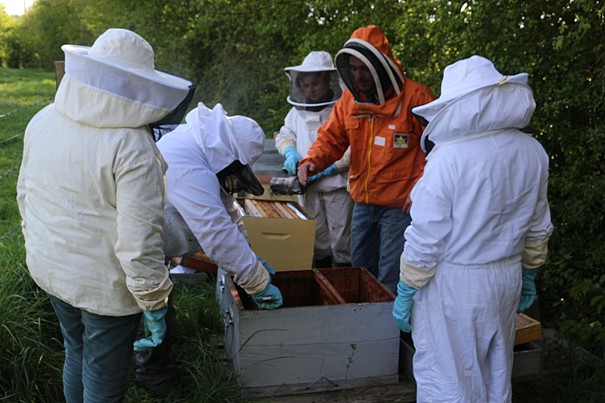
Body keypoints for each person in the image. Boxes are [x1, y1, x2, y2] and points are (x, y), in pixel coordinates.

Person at [16, 28, 195, 402]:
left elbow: (24, 195)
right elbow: (140, 242)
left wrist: (38, 245)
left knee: (76, 351)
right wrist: (154, 301)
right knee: (102, 375)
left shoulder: (44, 118)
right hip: (105, 289)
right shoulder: (132, 145)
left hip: (52, 270)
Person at [392, 55, 554, 402]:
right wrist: (529, 272)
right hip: (506, 277)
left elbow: (426, 238)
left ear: (458, 105)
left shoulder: (449, 159)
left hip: (454, 285)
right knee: (496, 371)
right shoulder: (533, 151)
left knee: (447, 378)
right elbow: (538, 224)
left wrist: (407, 287)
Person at [134, 102, 284, 395]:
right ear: (230, 153)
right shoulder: (190, 166)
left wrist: (249, 256)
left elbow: (228, 214)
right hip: (138, 245)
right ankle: (151, 376)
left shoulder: (202, 150)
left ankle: (149, 364)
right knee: (143, 310)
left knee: (157, 307)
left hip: (149, 242)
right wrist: (256, 280)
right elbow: (216, 234)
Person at [297, 25, 435, 293]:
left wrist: (423, 187)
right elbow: (331, 138)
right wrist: (311, 161)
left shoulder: (416, 97)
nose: (358, 75)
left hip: (399, 205)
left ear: (380, 65)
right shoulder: (350, 100)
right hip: (363, 201)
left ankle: (389, 332)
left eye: (364, 68)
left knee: (389, 273)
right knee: (359, 269)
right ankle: (360, 329)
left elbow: (437, 150)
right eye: (354, 68)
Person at [276, 50, 353, 268]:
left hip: (336, 187)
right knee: (317, 240)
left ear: (328, 81)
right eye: (307, 85)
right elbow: (285, 135)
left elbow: (352, 147)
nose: (311, 89)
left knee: (341, 241)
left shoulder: (342, 108)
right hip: (307, 186)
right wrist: (290, 153)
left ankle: (344, 281)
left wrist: (329, 168)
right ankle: (322, 282)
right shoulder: (295, 112)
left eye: (315, 84)